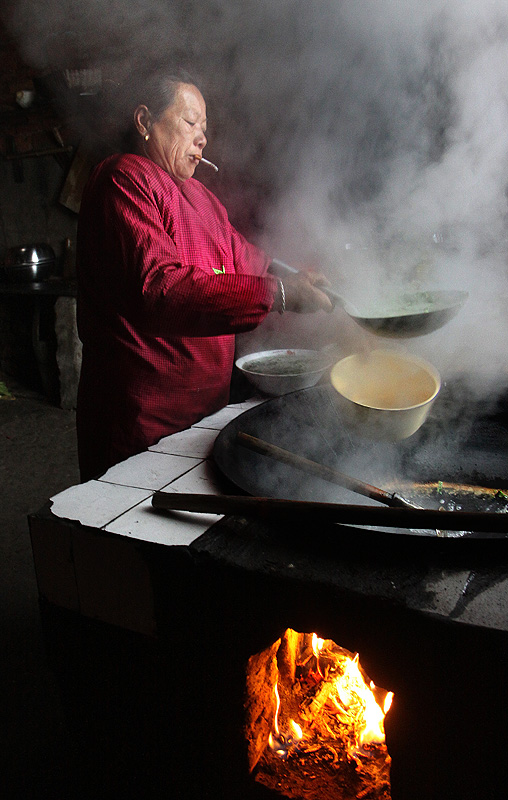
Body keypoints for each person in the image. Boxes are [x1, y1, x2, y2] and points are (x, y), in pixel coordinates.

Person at [76, 69, 333, 481]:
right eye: (190, 122)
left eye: (205, 129)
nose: (202, 138)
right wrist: (281, 294)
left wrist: (307, 277)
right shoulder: (123, 179)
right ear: (144, 121)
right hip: (142, 420)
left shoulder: (200, 197)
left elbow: (250, 261)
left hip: (205, 413)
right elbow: (160, 289)